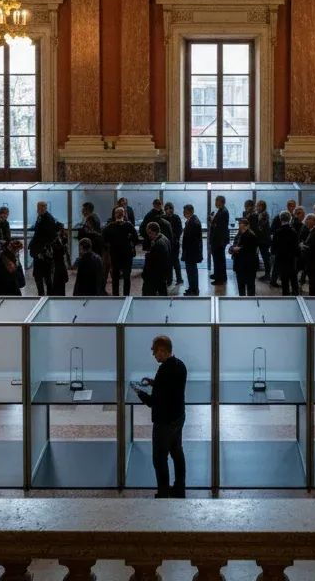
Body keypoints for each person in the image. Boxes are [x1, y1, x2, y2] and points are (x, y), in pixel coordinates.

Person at [134, 334, 187, 498]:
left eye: (155, 352)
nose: (154, 355)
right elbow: (170, 388)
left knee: (159, 458)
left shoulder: (164, 370)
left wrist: (138, 392)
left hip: (164, 422)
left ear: (163, 351)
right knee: (177, 452)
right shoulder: (180, 365)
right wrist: (152, 382)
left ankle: (163, 492)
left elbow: (153, 402)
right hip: (178, 417)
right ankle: (179, 488)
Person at [104, 207, 137, 296]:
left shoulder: (110, 227)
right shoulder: (129, 226)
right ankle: (126, 295)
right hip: (127, 254)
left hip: (115, 254)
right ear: (124, 215)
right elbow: (136, 239)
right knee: (126, 277)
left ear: (115, 215)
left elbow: (104, 240)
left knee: (115, 277)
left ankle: (116, 296)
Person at [29, 201, 58, 297]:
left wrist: (42, 247)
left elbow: (50, 236)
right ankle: (42, 294)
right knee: (39, 275)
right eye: (38, 207)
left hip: (43, 252)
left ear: (45, 208)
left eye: (41, 208)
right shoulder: (41, 217)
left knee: (45, 275)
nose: (38, 210)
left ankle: (48, 295)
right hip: (39, 251)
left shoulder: (48, 219)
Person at [269, 211, 298, 296]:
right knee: (293, 278)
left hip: (281, 258)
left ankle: (286, 297)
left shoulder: (278, 232)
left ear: (280, 219)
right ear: (290, 219)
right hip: (291, 258)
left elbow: (273, 248)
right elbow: (296, 247)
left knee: (284, 280)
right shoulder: (293, 232)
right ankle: (296, 295)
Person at [230, 218, 259, 296]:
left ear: (247, 226)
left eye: (241, 224)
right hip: (240, 264)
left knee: (250, 286)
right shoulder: (239, 235)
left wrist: (238, 249)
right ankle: (242, 301)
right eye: (239, 224)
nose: (239, 225)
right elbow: (233, 246)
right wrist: (232, 249)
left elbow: (251, 249)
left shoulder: (251, 236)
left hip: (248, 264)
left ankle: (250, 303)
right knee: (241, 286)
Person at [142, 222, 170, 296]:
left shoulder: (158, 244)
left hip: (155, 276)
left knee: (148, 298)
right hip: (162, 275)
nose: (149, 235)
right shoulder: (164, 238)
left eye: (150, 233)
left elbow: (151, 262)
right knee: (163, 295)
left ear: (155, 232)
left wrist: (148, 255)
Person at [180, 204, 203, 295]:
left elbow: (192, 239)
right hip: (191, 252)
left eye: (185, 211)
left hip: (191, 252)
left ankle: (193, 289)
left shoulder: (193, 222)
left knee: (191, 272)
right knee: (191, 271)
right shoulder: (192, 221)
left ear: (190, 211)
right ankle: (192, 288)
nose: (184, 213)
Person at [209, 195, 229, 285]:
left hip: (219, 241)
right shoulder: (221, 211)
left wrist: (213, 221)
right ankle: (219, 275)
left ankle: (219, 279)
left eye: (217, 201)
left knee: (219, 260)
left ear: (222, 202)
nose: (215, 203)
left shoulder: (223, 212)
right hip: (218, 240)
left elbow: (220, 227)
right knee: (218, 259)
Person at [164, 202, 184, 287]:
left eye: (170, 208)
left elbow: (179, 230)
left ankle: (179, 279)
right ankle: (169, 280)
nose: (168, 210)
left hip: (174, 244)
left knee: (175, 262)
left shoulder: (176, 218)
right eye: (167, 209)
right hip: (167, 243)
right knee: (168, 262)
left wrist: (174, 238)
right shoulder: (164, 218)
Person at [254, 199, 272, 281]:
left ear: (263, 207)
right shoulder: (260, 214)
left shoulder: (263, 215)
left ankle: (268, 275)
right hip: (262, 239)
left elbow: (260, 226)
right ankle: (267, 274)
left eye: (259, 206)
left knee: (265, 257)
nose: (257, 207)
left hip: (264, 240)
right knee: (264, 257)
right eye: (257, 205)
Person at [51, 226, 71, 296]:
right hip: (59, 265)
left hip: (59, 266)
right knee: (59, 285)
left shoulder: (60, 240)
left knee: (59, 285)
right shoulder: (59, 240)